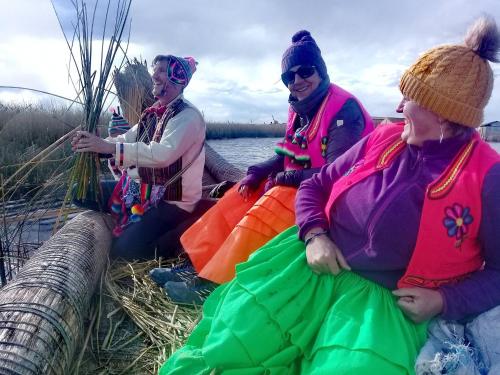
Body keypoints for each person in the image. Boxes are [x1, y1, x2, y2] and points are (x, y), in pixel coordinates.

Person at [159, 16, 500, 374]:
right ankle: (196, 270)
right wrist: (315, 235)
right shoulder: (384, 138)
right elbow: (315, 185)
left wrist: (444, 300)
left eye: (410, 98)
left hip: (377, 306)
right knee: (231, 346)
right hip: (311, 268)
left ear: (443, 113)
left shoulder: (486, 176)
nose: (399, 108)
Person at [151, 30, 374, 304]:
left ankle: (211, 283)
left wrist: (287, 177)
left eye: (305, 71)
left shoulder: (343, 110)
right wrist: (260, 170)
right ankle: (197, 264)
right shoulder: (299, 107)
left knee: (271, 203)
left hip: (334, 196)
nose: (297, 81)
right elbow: (288, 151)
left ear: (321, 70)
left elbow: (339, 172)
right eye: (288, 77)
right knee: (241, 194)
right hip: (303, 183)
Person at [72, 54, 206, 260]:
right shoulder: (152, 114)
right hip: (142, 191)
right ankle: (132, 220)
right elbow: (125, 138)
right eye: (155, 70)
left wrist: (109, 147)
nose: (154, 75)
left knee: (123, 252)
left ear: (177, 79)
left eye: (161, 71)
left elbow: (162, 154)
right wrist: (95, 146)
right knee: (80, 192)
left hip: (173, 201)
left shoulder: (187, 116)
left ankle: (177, 237)